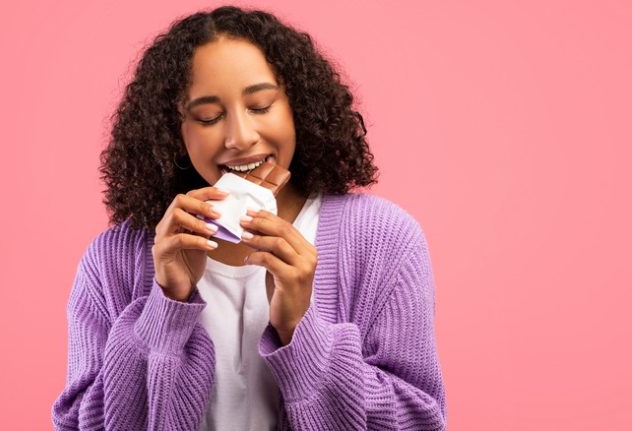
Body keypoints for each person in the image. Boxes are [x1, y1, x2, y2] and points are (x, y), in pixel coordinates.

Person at [51, 5, 447, 431]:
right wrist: (165, 309)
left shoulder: (383, 239)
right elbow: (80, 424)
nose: (240, 137)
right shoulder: (114, 259)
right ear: (173, 132)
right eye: (208, 117)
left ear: (299, 107)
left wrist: (300, 329)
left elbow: (421, 420)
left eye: (260, 106)